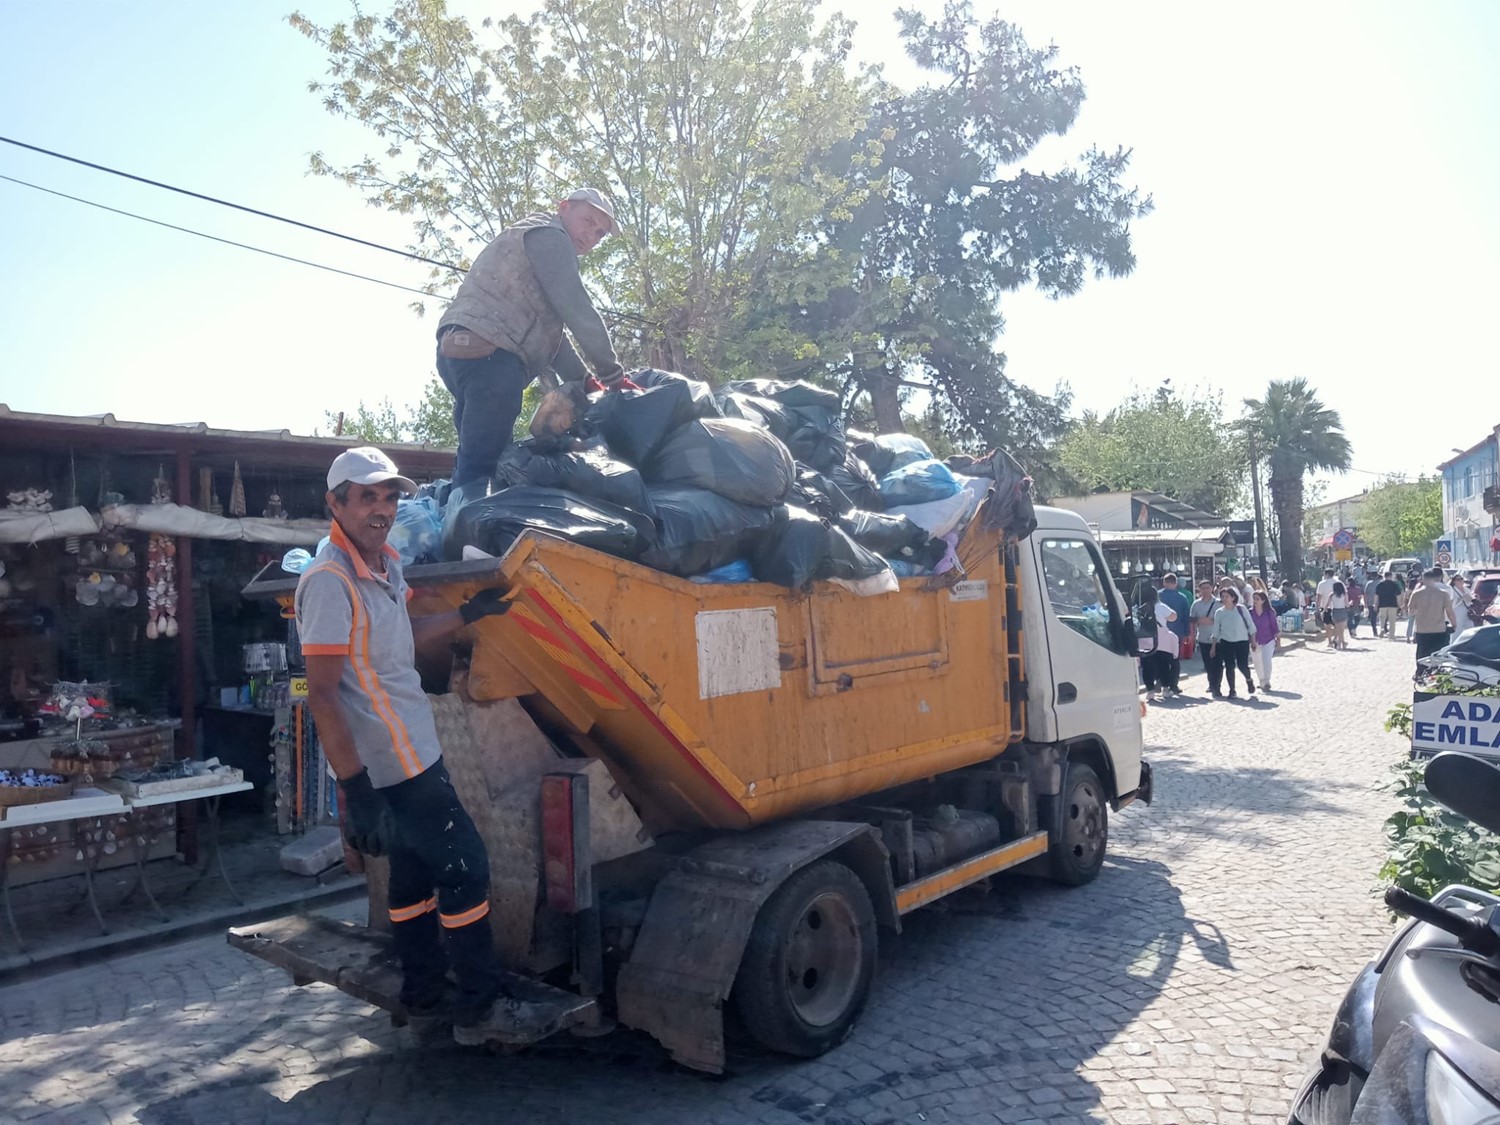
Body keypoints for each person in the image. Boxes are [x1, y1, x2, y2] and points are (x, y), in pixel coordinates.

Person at [296, 448, 545, 1043]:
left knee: (410, 878)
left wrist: (468, 613)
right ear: (335, 503)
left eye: (389, 497)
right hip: (394, 765)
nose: (381, 508)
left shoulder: (383, 565)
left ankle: (423, 990)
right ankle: (481, 1008)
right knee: (466, 869)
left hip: (412, 751)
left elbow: (402, 634)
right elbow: (323, 694)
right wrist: (354, 791)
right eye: (366, 497)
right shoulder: (329, 582)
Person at [435, 188, 626, 487]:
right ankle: (470, 529)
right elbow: (575, 306)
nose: (592, 235)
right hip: (492, 356)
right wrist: (612, 374)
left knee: (474, 456)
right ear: (563, 208)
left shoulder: (532, 237)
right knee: (483, 467)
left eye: (600, 233)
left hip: (460, 349)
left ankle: (455, 516)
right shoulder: (551, 236)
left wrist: (585, 380)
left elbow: (553, 337)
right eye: (588, 221)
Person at [1209, 587, 1256, 699]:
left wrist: (1253, 641)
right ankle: (1232, 690)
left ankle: (1248, 679)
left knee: (1242, 665)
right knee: (1229, 666)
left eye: (1227, 596)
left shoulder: (1241, 609)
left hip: (1242, 641)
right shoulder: (1219, 612)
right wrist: (1213, 646)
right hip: (1226, 642)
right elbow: (1216, 630)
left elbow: (1250, 625)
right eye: (1223, 597)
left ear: (1233, 597)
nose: (1225, 599)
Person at [1407, 566, 1460, 662]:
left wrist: (1420, 611)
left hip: (1422, 629)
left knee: (1422, 653)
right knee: (1439, 653)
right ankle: (1437, 673)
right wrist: (1454, 625)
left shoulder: (1416, 594)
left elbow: (1410, 611)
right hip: (1439, 628)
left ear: (1423, 579)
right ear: (1434, 580)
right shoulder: (1443, 594)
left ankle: (1421, 672)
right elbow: (1449, 611)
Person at [1136, 586, 1179, 698]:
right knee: (1163, 665)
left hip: (1145, 641)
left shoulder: (1138, 608)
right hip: (1161, 641)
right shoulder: (1160, 606)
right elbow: (1173, 617)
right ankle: (1165, 688)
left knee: (1147, 667)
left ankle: (1150, 691)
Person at [1190, 579, 1224, 697]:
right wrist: (1198, 622)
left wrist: (1212, 621)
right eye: (1203, 588)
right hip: (1203, 638)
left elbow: (1225, 620)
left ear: (1212, 588)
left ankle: (1217, 687)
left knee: (1218, 664)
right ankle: (1211, 683)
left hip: (1218, 638)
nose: (1205, 590)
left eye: (1207, 587)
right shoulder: (1196, 604)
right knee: (1208, 664)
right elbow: (1191, 619)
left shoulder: (1219, 603)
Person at [1159, 573, 1191, 680]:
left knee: (1161, 657)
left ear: (1164, 582)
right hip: (1177, 632)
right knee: (1175, 658)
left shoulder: (1158, 596)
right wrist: (1187, 633)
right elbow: (1186, 617)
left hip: (1160, 632)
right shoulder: (1182, 598)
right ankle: (1173, 684)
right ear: (1176, 583)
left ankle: (1161, 679)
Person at [1248, 590, 1281, 690]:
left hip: (1268, 640)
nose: (1255, 601)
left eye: (1257, 599)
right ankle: (1261, 680)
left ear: (1263, 600)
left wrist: (1278, 642)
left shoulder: (1269, 613)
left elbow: (1275, 627)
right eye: (1254, 599)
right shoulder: (1250, 613)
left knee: (1266, 661)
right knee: (1257, 662)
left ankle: (1266, 681)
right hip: (1254, 641)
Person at [1375, 571, 1401, 638]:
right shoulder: (1395, 585)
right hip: (1393, 605)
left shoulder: (1380, 585)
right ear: (1391, 576)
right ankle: (1391, 635)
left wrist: (1376, 605)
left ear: (1384, 576)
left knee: (1382, 619)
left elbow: (1376, 596)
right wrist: (1399, 605)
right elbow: (1398, 596)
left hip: (1382, 605)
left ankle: (1382, 629)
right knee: (1392, 621)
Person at [1328, 579, 1350, 650]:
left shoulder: (1331, 595)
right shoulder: (1344, 595)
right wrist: (1350, 603)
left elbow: (1328, 604)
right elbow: (1347, 605)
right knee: (1341, 630)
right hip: (1342, 611)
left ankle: (1342, 643)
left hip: (1335, 612)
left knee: (1338, 629)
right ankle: (1340, 644)